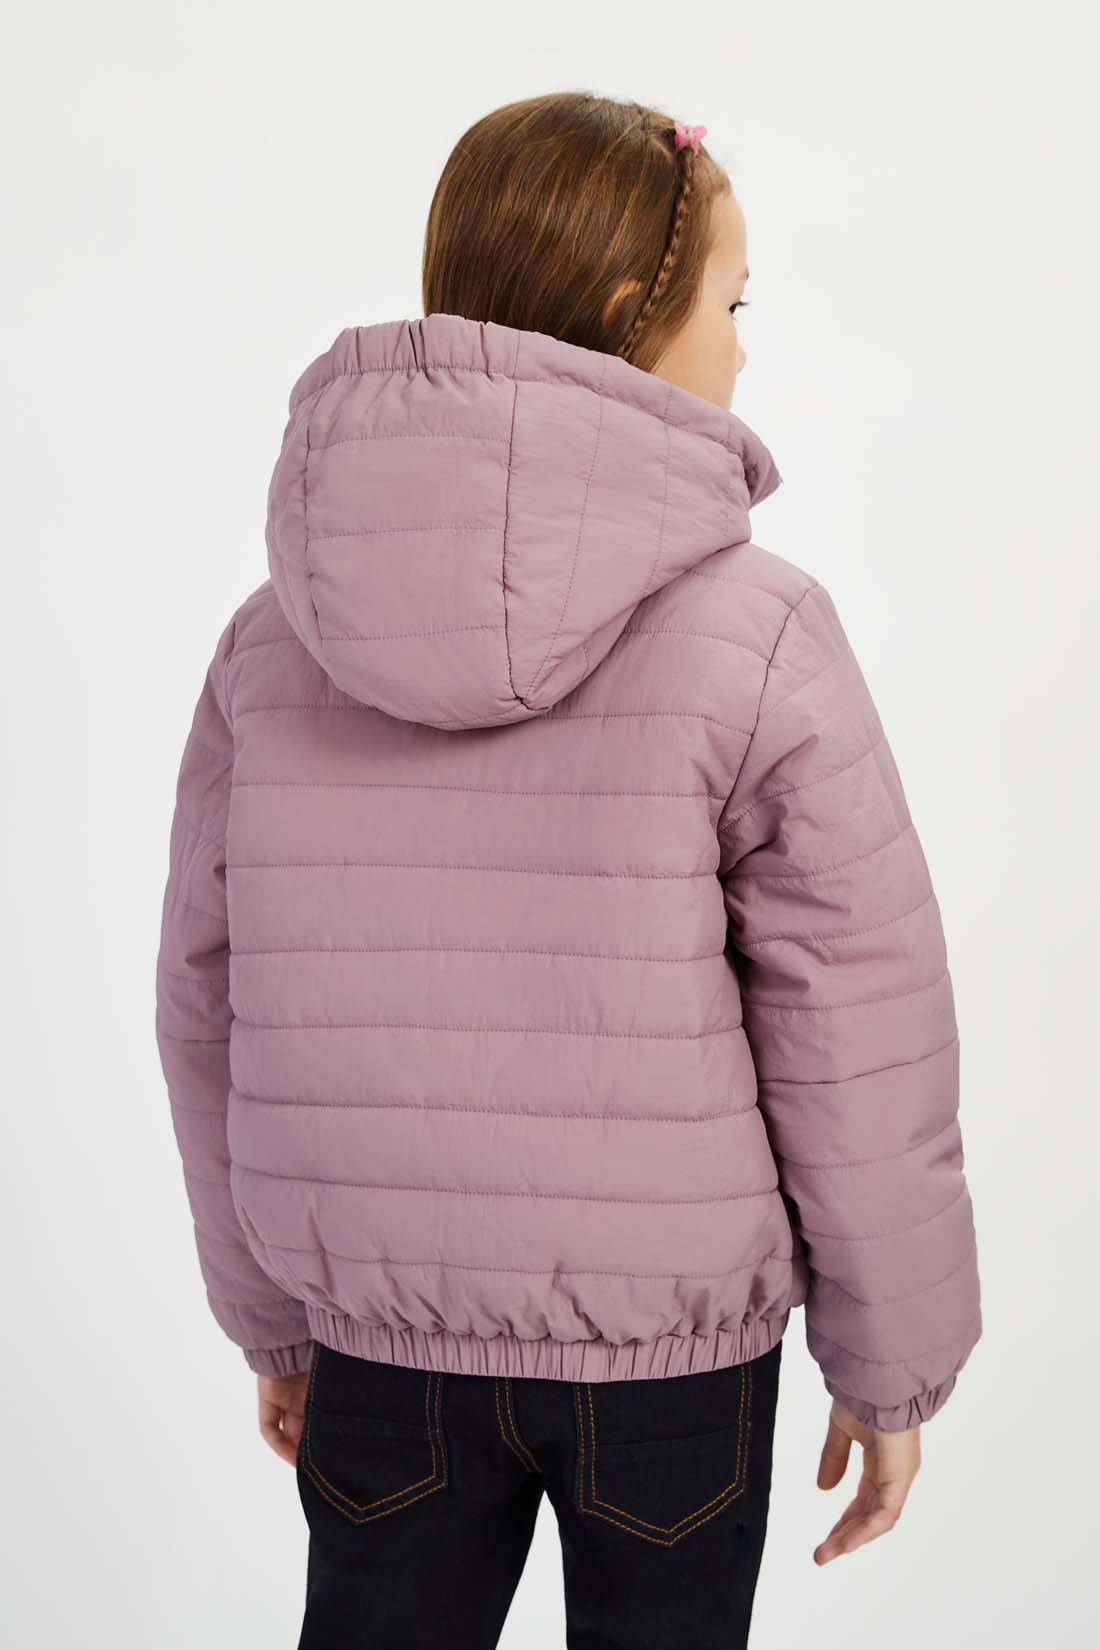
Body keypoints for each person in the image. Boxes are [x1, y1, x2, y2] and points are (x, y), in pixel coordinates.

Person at [154, 92, 981, 1649]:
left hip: (381, 1347)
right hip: (672, 1364)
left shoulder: (273, 644)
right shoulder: (760, 632)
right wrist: (892, 1359)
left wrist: (268, 1312)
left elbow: (206, 998)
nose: (740, 350)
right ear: (627, 313)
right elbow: (857, 1015)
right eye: (730, 306)